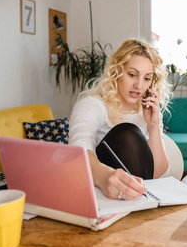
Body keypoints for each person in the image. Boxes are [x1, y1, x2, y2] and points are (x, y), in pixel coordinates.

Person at [69, 39, 172, 201]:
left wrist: (153, 126)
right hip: (100, 191)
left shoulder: (147, 110)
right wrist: (105, 176)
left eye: (147, 78)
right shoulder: (93, 104)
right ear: (117, 71)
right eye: (132, 75)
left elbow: (157, 174)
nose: (139, 85)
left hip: (139, 194)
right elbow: (79, 152)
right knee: (128, 133)